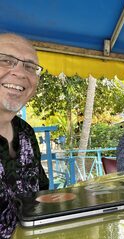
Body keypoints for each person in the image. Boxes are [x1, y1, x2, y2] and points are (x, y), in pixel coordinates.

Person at [0, 33, 49, 238]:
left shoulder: (25, 132)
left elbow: (41, 196)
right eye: (5, 60)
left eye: (30, 66)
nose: (20, 72)